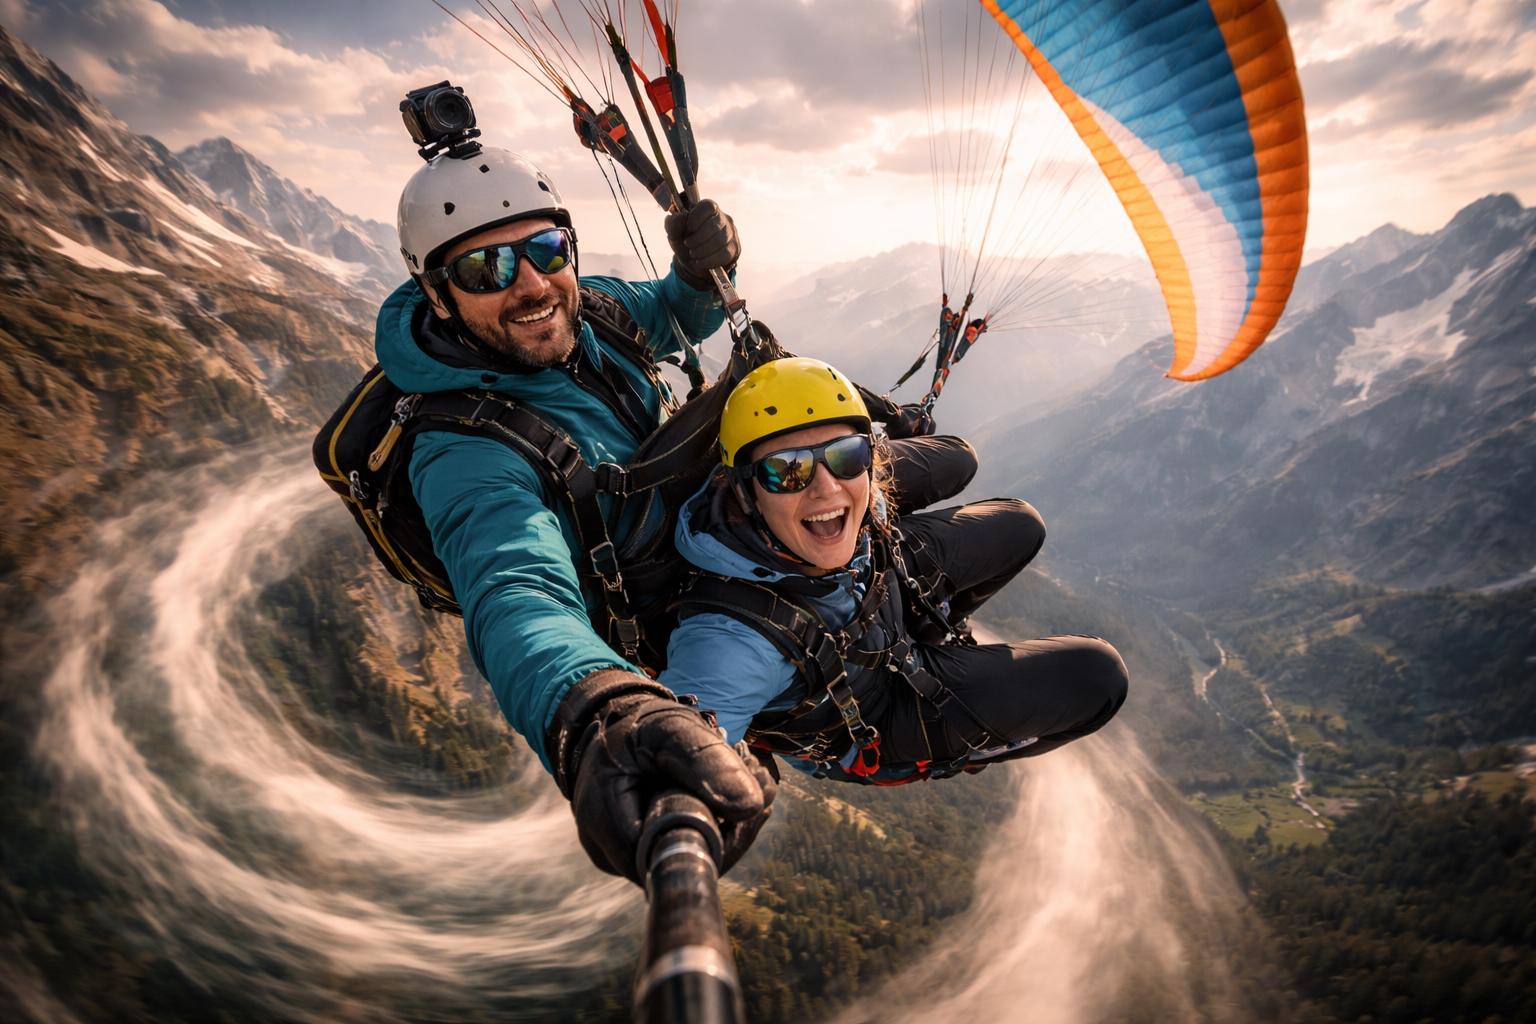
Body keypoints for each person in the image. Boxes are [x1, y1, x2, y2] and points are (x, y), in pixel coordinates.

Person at [375, 130, 963, 883]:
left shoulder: (596, 314)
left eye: (547, 249)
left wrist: (696, 270)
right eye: (485, 267)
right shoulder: (463, 451)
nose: (529, 285)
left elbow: (675, 312)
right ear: (436, 292)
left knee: (950, 462)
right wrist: (599, 711)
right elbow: (514, 592)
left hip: (723, 512)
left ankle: (891, 605)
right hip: (682, 600)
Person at [661, 357, 1129, 784]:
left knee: (1020, 522)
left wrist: (887, 414)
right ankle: (956, 743)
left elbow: (937, 456)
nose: (827, 489)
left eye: (846, 456)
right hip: (875, 707)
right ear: (744, 491)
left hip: (880, 587)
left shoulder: (837, 501)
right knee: (1098, 677)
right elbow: (675, 754)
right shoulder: (734, 641)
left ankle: (927, 627)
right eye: (788, 470)